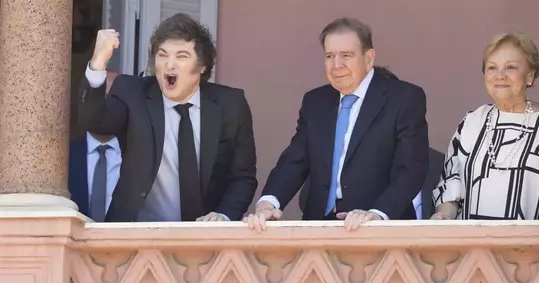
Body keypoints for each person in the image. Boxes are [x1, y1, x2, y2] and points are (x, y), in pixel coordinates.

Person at [245, 18, 429, 232]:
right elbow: (295, 160)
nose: (337, 65)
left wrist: (377, 213)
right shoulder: (315, 102)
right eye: (330, 56)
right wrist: (269, 202)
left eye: (346, 56)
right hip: (319, 228)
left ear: (369, 58)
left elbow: (411, 169)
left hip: (380, 230)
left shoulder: (404, 98)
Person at [77, 13, 258, 222]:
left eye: (181, 56)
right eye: (162, 55)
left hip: (205, 239)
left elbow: (242, 177)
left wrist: (223, 216)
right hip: (135, 237)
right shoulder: (132, 92)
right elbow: (93, 121)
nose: (169, 64)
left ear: (202, 66)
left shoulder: (231, 104)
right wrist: (98, 62)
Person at [431, 32, 539, 220]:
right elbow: (451, 182)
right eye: (492, 68)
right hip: (472, 245)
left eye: (510, 68)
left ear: (530, 75)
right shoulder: (472, 121)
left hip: (530, 246)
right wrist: (443, 215)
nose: (500, 76)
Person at [69, 69, 122, 222]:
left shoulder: (141, 157)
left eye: (114, 97)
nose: (106, 104)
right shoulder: (64, 158)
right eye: (99, 96)